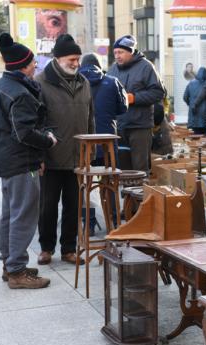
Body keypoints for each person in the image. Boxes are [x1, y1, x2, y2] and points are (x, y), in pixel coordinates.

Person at [0, 33, 57, 289]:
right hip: (21, 163)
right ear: (22, 66)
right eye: (32, 64)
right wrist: (48, 141)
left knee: (9, 214)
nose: (35, 67)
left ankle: (9, 264)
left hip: (6, 161)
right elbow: (25, 133)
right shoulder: (21, 93)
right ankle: (17, 271)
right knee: (24, 216)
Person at [35, 34, 94, 266]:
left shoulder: (84, 82)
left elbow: (91, 119)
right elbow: (37, 123)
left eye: (78, 59)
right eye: (71, 59)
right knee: (47, 207)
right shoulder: (40, 83)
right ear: (58, 58)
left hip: (78, 157)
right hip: (51, 158)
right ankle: (46, 248)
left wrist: (91, 149)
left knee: (73, 206)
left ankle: (69, 249)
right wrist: (39, 155)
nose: (76, 63)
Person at [79, 53, 128, 234]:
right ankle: (114, 222)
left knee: (85, 184)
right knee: (110, 183)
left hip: (85, 143)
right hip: (107, 142)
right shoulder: (112, 82)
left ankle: (89, 223)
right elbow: (123, 108)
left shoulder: (76, 82)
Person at [108, 35, 166, 173]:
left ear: (131, 51)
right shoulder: (113, 69)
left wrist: (134, 98)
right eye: (115, 52)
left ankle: (140, 194)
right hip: (120, 127)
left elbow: (159, 93)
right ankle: (125, 195)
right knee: (122, 169)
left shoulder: (146, 67)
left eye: (120, 52)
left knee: (140, 169)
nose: (117, 56)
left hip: (140, 127)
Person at [183, 66, 206, 135]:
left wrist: (190, 104)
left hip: (193, 112)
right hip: (205, 113)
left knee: (195, 136)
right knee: (205, 138)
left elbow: (185, 97)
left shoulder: (191, 83)